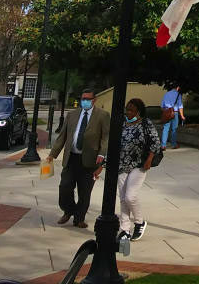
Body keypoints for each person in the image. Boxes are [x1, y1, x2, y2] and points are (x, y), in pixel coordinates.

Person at [46, 87, 109, 229]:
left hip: (90, 159)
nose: (85, 101)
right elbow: (62, 136)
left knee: (85, 192)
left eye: (88, 99)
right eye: (83, 99)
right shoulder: (72, 115)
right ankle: (68, 210)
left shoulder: (102, 115)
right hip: (71, 158)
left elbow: (106, 137)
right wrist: (52, 154)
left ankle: (79, 218)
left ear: (94, 100)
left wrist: (101, 154)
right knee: (65, 187)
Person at [102, 98, 161, 243]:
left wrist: (149, 159)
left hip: (138, 165)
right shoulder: (122, 122)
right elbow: (113, 143)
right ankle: (125, 230)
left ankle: (140, 222)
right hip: (121, 164)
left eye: (131, 110)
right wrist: (103, 164)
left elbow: (155, 142)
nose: (128, 112)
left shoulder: (145, 123)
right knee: (122, 198)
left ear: (138, 111)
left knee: (130, 197)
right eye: (127, 109)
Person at [160, 84, 185, 150]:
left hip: (167, 113)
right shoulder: (178, 95)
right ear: (178, 87)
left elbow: (162, 106)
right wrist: (182, 116)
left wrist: (166, 111)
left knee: (165, 129)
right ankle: (174, 145)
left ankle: (163, 145)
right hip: (175, 113)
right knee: (174, 129)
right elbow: (180, 106)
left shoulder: (166, 94)